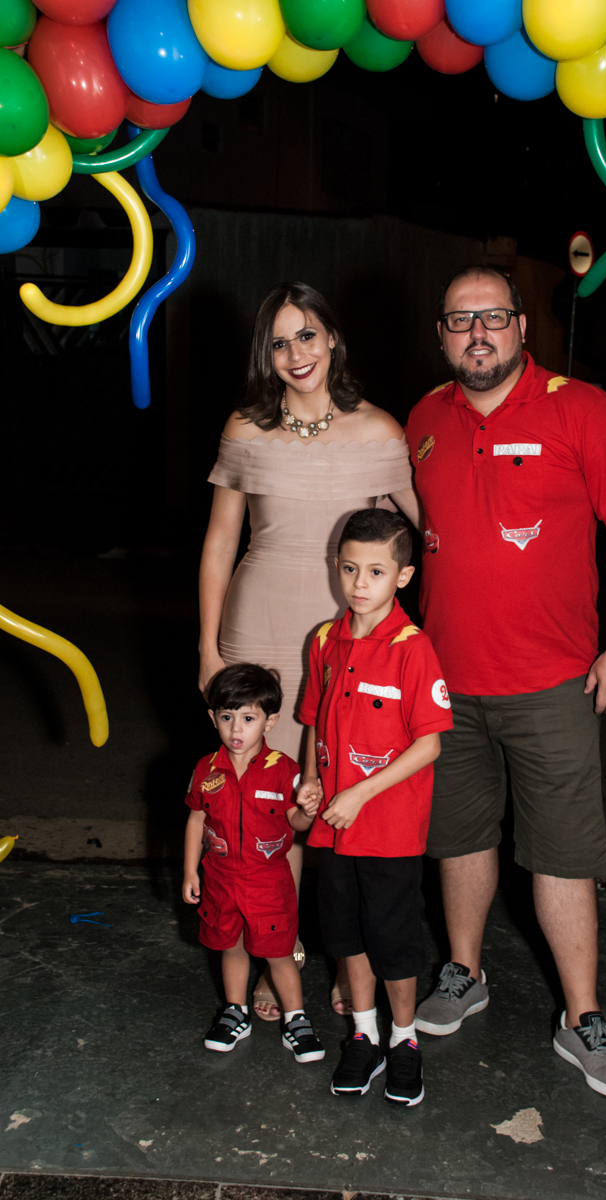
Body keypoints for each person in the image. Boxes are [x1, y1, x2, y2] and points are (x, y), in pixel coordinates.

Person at [406, 265, 606, 1099]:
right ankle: (462, 973)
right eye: (458, 320)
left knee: (562, 852)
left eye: (492, 317)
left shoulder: (578, 408)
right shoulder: (423, 420)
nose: (475, 334)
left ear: (521, 326)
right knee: (459, 839)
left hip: (552, 683)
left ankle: (581, 1017)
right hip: (446, 686)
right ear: (441, 334)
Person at [198, 282, 420, 1021]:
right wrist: (207, 647)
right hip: (254, 633)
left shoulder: (381, 432)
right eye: (281, 340)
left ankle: (344, 957)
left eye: (308, 335)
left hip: (342, 646)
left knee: (328, 808)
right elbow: (220, 544)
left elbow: (424, 545)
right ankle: (279, 957)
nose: (297, 353)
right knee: (268, 812)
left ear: (333, 341)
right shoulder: (243, 429)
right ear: (266, 352)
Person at [298, 509, 454, 1107]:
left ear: (404, 576)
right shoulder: (323, 640)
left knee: (392, 939)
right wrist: (312, 782)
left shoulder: (414, 650)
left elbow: (429, 742)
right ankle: (363, 1035)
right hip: (334, 833)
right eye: (349, 569)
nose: (360, 584)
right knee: (346, 935)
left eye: (376, 571)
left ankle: (404, 1041)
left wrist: (360, 792)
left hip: (387, 830)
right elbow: (313, 721)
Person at [183, 663, 325, 1061]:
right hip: (220, 879)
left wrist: (307, 810)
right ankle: (234, 1012)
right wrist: (189, 869)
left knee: (278, 953)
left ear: (270, 721)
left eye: (248, 718)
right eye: (227, 718)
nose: (236, 729)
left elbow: (294, 823)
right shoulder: (206, 770)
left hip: (268, 883)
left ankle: (296, 1019)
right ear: (213, 718)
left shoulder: (284, 771)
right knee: (230, 946)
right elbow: (196, 818)